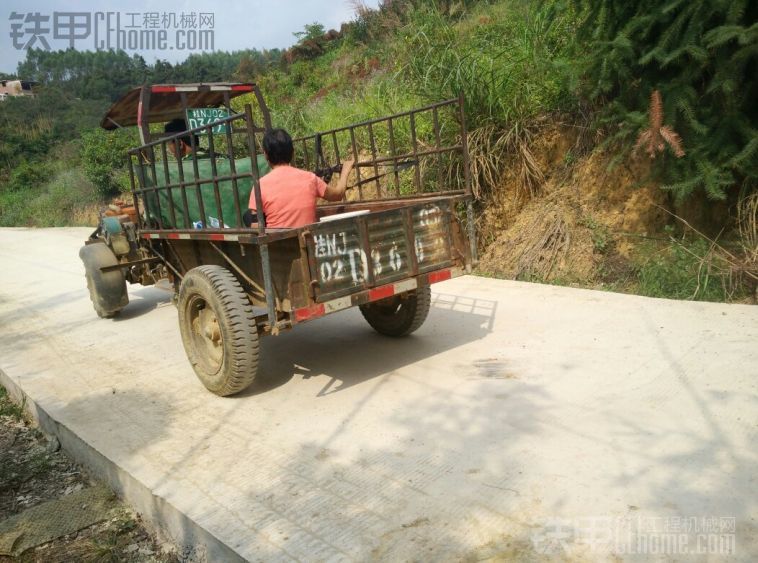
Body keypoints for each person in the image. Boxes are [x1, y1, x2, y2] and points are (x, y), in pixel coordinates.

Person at [247, 128, 354, 228]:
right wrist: (345, 172)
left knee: (247, 217)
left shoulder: (259, 186)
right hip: (308, 240)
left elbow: (256, 227)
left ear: (266, 155)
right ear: (292, 153)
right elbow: (338, 194)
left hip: (278, 245)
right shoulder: (310, 178)